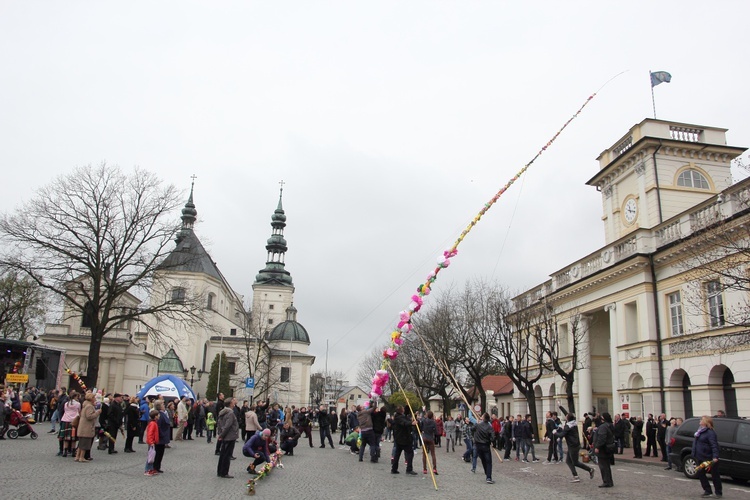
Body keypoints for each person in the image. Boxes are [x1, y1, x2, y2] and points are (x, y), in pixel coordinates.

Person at [555, 413, 595, 483]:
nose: (565, 416)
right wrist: (560, 406)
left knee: (575, 462)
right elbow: (567, 414)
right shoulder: (574, 423)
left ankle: (589, 470)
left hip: (572, 445)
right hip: (575, 444)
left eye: (566, 416)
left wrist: (555, 433)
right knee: (568, 461)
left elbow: (562, 434)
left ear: (568, 418)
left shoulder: (568, 426)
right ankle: (575, 476)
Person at [692, 415, 722, 497]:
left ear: (706, 422)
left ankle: (718, 492)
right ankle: (707, 490)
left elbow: (714, 445)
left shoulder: (710, 433)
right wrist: (694, 453)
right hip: (700, 456)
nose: (700, 421)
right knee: (700, 473)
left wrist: (715, 457)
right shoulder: (699, 431)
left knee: (715, 475)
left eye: (701, 420)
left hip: (709, 457)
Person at [390, 406, 417, 475]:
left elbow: (406, 414)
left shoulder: (400, 416)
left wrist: (408, 405)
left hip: (400, 438)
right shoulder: (399, 418)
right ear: (401, 411)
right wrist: (411, 423)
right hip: (403, 439)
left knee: (397, 454)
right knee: (410, 453)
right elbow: (404, 423)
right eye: (403, 409)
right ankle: (409, 469)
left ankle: (394, 469)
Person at [216, 397, 239, 479]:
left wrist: (220, 434)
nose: (234, 403)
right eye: (233, 401)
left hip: (226, 436)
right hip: (229, 436)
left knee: (223, 454)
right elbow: (227, 426)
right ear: (230, 404)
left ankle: (220, 471)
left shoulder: (223, 412)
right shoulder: (230, 413)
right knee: (227, 455)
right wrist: (221, 435)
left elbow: (220, 424)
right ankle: (224, 472)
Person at [75, 392, 100, 462]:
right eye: (94, 398)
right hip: (86, 427)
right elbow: (89, 416)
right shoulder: (89, 406)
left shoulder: (85, 404)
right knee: (85, 444)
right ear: (91, 399)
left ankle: (77, 456)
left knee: (81, 443)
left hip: (82, 426)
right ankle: (81, 457)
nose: (95, 399)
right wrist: (97, 412)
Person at [593, 412, 616, 488]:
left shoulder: (603, 427)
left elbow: (602, 438)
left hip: (603, 449)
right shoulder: (610, 425)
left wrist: (597, 447)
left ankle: (606, 481)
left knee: (603, 466)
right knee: (607, 466)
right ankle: (609, 481)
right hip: (608, 448)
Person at [473, 413, 495, 484]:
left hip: (478, 445)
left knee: (483, 460)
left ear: (483, 418)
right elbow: (493, 437)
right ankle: (488, 477)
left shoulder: (478, 425)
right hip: (485, 445)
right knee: (488, 461)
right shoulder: (489, 427)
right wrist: (490, 441)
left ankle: (487, 473)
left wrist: (476, 423)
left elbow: (471, 429)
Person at [59, 391, 81, 457]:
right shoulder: (78, 404)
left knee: (66, 438)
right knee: (73, 438)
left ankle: (65, 451)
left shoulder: (66, 403)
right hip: (74, 421)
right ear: (75, 396)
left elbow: (64, 410)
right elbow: (79, 411)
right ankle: (73, 451)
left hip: (65, 420)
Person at [152, 400, 170, 474]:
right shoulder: (158, 414)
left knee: (161, 452)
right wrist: (161, 434)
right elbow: (158, 426)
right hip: (160, 436)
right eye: (162, 404)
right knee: (158, 452)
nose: (164, 405)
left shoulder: (162, 413)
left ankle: (158, 466)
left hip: (163, 435)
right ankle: (155, 467)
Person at [420, 410, 438, 475]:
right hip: (430, 438)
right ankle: (434, 468)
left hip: (424, 437)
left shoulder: (424, 421)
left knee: (424, 454)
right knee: (433, 454)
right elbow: (436, 432)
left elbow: (420, 428)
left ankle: (425, 469)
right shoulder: (433, 422)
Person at [144, 409, 160, 476]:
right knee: (150, 456)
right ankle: (147, 470)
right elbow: (150, 433)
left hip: (153, 441)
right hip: (152, 442)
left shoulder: (154, 422)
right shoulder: (153, 423)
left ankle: (151, 469)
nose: (159, 416)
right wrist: (151, 442)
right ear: (155, 416)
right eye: (158, 415)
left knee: (152, 456)